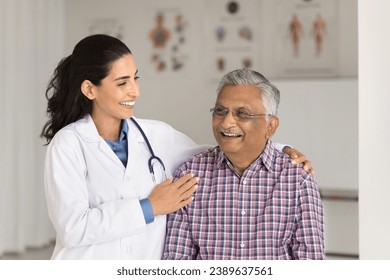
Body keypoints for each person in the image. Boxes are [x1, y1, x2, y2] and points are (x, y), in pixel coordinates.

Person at [41, 34, 314, 260]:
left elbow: (220, 148)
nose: (135, 91)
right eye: (122, 83)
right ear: (90, 89)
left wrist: (280, 149)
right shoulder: (67, 145)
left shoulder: (156, 135)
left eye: (136, 79)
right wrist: (151, 206)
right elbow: (72, 229)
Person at [163, 69, 325, 260]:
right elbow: (176, 262)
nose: (227, 122)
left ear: (271, 126)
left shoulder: (297, 179)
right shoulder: (190, 176)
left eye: (242, 114)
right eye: (220, 111)